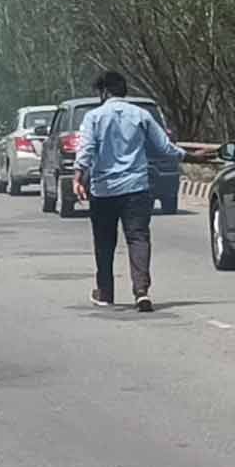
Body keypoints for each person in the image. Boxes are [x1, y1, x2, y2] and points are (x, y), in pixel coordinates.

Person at [73, 71, 208, 312]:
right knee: (138, 238)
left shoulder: (93, 117)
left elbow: (86, 150)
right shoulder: (141, 115)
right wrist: (189, 157)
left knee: (104, 242)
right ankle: (141, 291)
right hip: (136, 188)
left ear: (104, 92)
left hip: (104, 191)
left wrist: (77, 177)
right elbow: (165, 147)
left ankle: (105, 292)